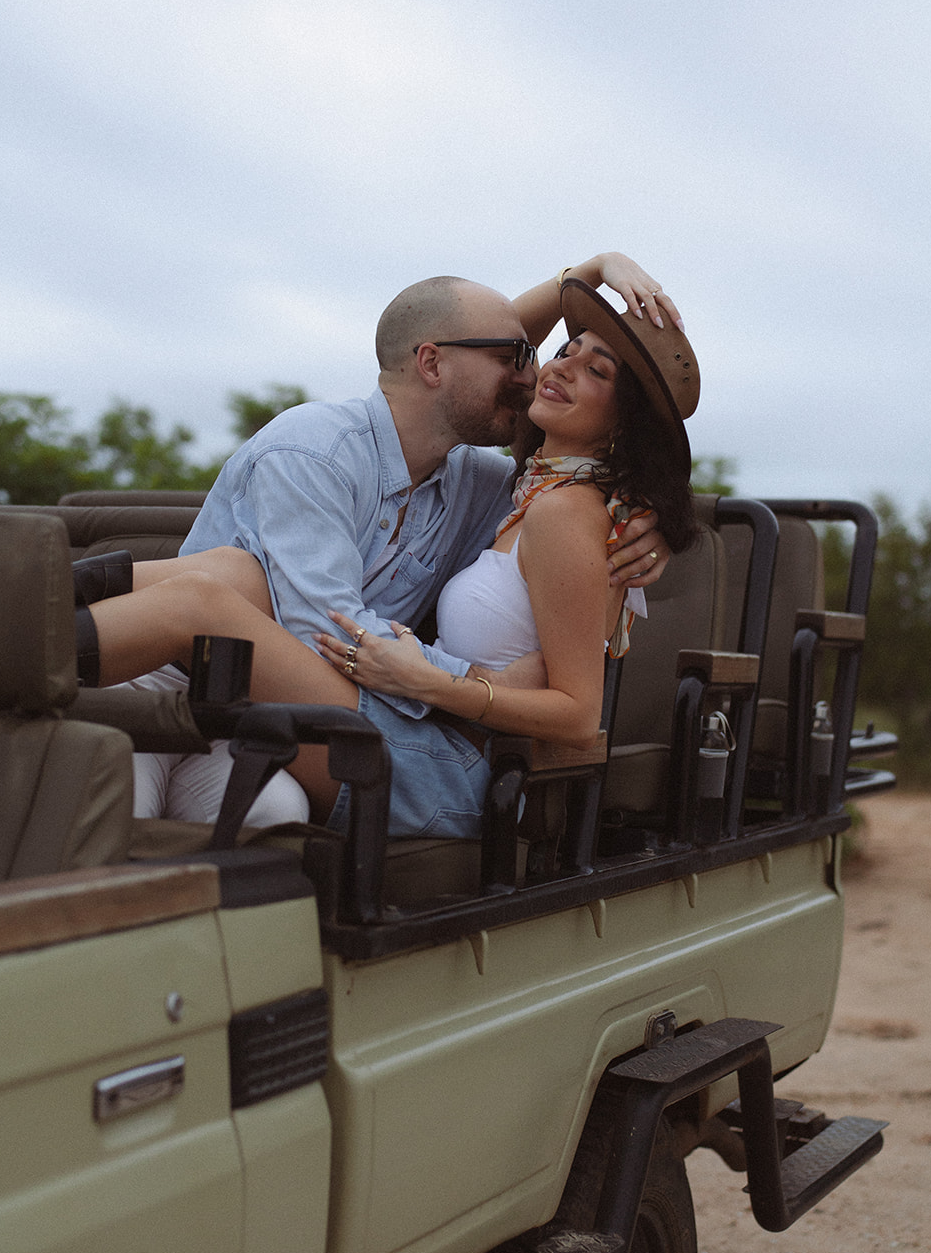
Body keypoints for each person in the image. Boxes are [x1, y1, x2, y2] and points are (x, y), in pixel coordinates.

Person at [82, 274, 699, 839]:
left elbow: (573, 705)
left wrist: (663, 517)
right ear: (429, 363)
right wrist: (581, 274)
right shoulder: (496, 488)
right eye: (552, 353)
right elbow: (460, 339)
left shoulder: (541, 503)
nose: (537, 370)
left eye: (597, 370)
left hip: (424, 745)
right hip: (260, 699)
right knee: (233, 584)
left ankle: (26, 626)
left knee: (208, 598)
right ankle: (63, 596)